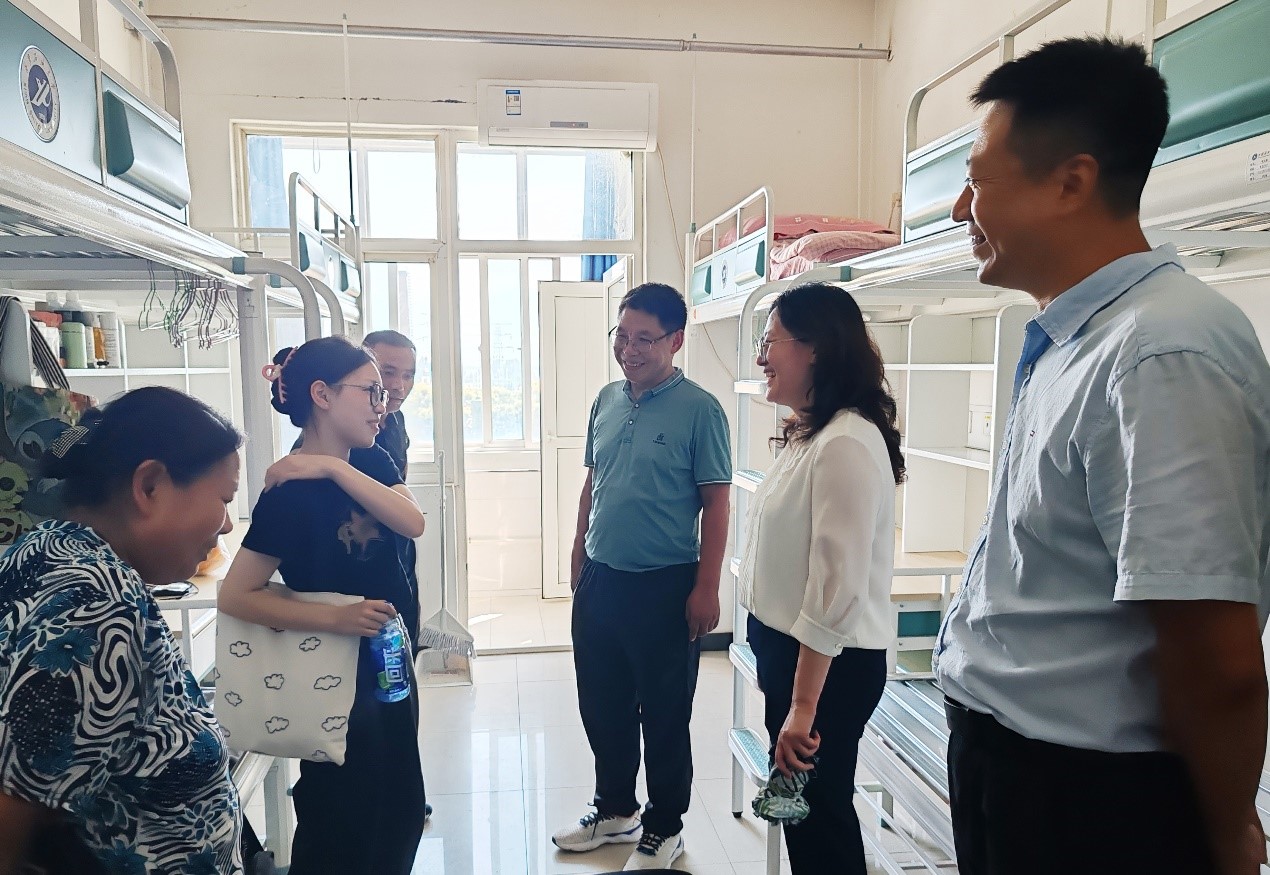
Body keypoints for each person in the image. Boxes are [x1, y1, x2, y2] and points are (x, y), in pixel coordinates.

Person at [932, 37, 1270, 875]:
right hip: (1016, 770)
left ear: (1071, 182)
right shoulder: (1076, 339)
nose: (959, 209)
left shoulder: (1161, 352)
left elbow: (1217, 654)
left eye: (976, 181)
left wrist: (1228, 832)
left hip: (1088, 804)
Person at [0, 387, 244, 875]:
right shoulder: (99, 610)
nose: (226, 525)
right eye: (223, 500)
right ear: (149, 486)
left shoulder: (44, 547)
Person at [219, 336, 428, 875]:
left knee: (400, 805)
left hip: (386, 659)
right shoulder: (288, 493)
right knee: (343, 813)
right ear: (322, 395)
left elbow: (413, 522)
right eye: (371, 391)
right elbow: (236, 594)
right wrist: (336, 617)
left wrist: (334, 469)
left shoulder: (369, 458)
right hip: (330, 673)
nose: (383, 404)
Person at [552, 282, 732, 870]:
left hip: (666, 585)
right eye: (622, 336)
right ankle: (615, 810)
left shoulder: (701, 410)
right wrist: (578, 549)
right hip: (601, 580)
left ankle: (664, 826)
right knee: (600, 702)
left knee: (664, 712)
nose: (629, 349)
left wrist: (707, 586)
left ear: (675, 341)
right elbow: (594, 481)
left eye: (645, 339)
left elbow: (717, 504)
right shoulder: (606, 400)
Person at [738, 282, 904, 874]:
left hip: (826, 669)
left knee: (821, 820)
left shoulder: (847, 442)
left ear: (815, 349)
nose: (762, 358)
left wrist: (803, 707)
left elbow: (837, 587)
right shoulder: (813, 431)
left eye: (770, 342)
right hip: (797, 657)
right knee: (808, 820)